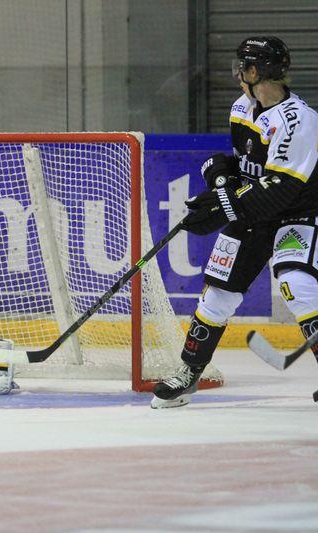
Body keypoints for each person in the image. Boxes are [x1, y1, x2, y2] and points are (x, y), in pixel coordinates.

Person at [152, 36, 318, 408]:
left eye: (243, 65)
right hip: (253, 214)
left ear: (258, 71)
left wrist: (222, 205)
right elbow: (245, 165)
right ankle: (188, 371)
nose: (238, 73)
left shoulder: (299, 121)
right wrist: (221, 177)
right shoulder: (242, 107)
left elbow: (281, 188)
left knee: (297, 283)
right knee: (217, 295)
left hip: (297, 213)